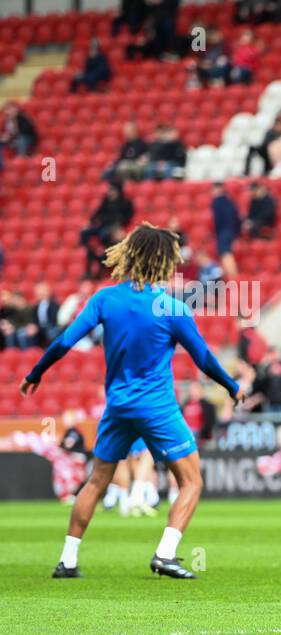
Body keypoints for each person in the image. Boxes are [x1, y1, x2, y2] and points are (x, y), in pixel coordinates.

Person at [19, 224, 243, 579]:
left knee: (96, 481)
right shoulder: (172, 308)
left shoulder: (105, 299)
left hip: (118, 406)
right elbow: (203, 358)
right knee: (191, 481)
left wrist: (35, 373)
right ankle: (165, 554)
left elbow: (64, 341)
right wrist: (231, 386)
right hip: (157, 407)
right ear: (164, 262)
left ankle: (68, 561)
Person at [211, 182, 241, 277]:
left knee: (225, 253)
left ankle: (233, 276)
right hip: (231, 231)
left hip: (223, 231)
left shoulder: (217, 202)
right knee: (227, 252)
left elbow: (217, 220)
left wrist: (216, 232)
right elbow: (237, 218)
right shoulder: (230, 201)